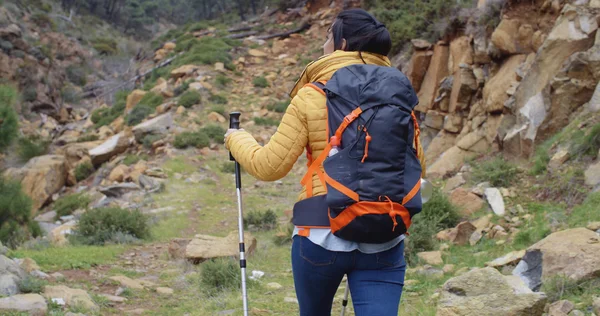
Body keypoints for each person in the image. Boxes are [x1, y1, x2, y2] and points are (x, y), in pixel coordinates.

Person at [225, 8, 426, 316]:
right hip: (384, 234)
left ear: (341, 43)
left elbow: (269, 166)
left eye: (327, 37)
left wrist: (235, 138)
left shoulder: (312, 94)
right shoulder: (399, 95)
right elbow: (416, 165)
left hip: (320, 234)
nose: (323, 45)